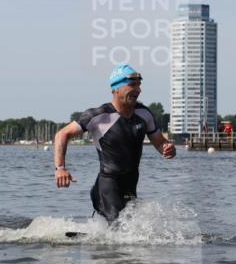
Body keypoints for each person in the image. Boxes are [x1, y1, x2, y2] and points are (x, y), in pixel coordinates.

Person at [53, 64, 176, 223]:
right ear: (116, 88)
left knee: (130, 229)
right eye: (132, 85)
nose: (138, 89)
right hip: (107, 185)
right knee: (119, 229)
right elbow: (62, 134)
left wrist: (168, 148)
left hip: (131, 184)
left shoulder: (145, 114)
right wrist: (60, 169)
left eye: (139, 85)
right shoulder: (99, 116)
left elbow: (160, 143)